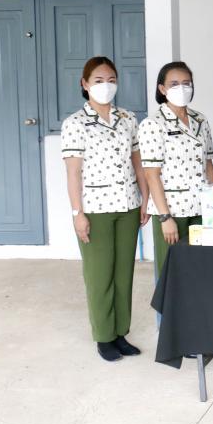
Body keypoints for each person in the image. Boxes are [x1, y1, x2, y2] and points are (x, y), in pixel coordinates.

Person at [61, 56, 148, 362]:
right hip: (95, 209)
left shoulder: (128, 119)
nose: (106, 86)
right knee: (100, 276)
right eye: (98, 81)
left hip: (127, 205)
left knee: (124, 274)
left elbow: (138, 163)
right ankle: (104, 336)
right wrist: (77, 214)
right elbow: (73, 173)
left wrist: (145, 199)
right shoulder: (75, 124)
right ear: (85, 84)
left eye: (111, 80)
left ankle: (120, 332)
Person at [138, 62, 213, 284]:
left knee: (200, 271)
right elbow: (151, 175)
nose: (181, 88)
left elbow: (208, 164)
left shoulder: (200, 120)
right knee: (171, 274)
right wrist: (165, 218)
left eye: (186, 83)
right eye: (174, 84)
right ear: (162, 88)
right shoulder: (153, 124)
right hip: (172, 209)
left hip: (201, 207)